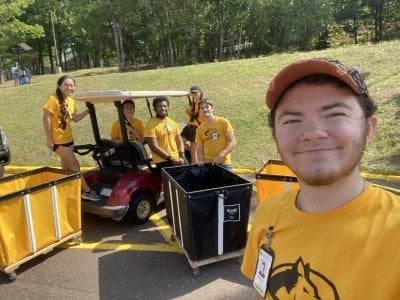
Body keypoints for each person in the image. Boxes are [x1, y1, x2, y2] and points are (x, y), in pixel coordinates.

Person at [241, 58, 400, 299]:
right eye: (292, 120)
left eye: (335, 114)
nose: (313, 133)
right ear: (275, 135)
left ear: (369, 127)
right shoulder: (267, 214)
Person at [43, 75, 101, 201]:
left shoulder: (70, 101)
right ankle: (87, 192)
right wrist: (49, 139)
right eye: (66, 85)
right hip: (58, 141)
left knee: (66, 169)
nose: (69, 87)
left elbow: (75, 119)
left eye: (71, 85)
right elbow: (46, 118)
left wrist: (87, 111)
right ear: (59, 86)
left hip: (69, 139)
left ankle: (64, 192)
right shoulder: (52, 99)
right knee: (75, 168)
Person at [144, 96, 185, 174]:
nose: (163, 108)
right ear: (154, 109)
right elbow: (154, 147)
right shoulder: (151, 124)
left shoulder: (172, 122)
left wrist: (181, 156)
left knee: (190, 171)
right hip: (163, 160)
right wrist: (171, 159)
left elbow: (179, 141)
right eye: (160, 106)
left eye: (165, 106)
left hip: (177, 157)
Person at [195, 99, 236, 171]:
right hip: (208, 164)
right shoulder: (199, 129)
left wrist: (221, 155)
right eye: (202, 108)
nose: (205, 109)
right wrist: (200, 160)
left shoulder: (223, 122)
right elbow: (200, 147)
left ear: (212, 108)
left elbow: (233, 142)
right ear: (200, 111)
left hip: (224, 164)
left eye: (207, 107)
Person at [180, 85, 205, 163]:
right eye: (192, 93)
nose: (194, 95)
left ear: (200, 93)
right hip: (188, 127)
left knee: (193, 151)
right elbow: (192, 115)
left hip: (196, 128)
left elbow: (200, 116)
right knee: (179, 142)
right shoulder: (193, 103)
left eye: (195, 93)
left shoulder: (203, 104)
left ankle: (194, 166)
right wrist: (189, 113)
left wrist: (190, 113)